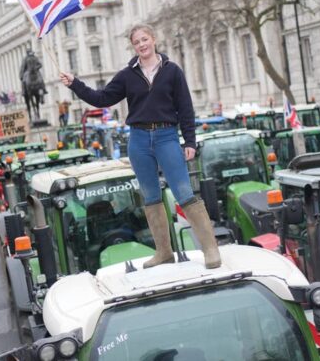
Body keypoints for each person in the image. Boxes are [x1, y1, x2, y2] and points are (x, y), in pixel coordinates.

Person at [59, 23, 221, 269]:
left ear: (153, 39)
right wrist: (75, 84)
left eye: (145, 39)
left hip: (167, 136)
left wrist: (189, 141)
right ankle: (164, 252)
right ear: (133, 47)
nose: (142, 45)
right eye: (137, 42)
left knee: (183, 191)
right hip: (139, 140)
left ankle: (211, 250)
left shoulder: (172, 71)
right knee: (151, 196)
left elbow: (186, 108)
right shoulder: (127, 75)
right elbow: (102, 99)